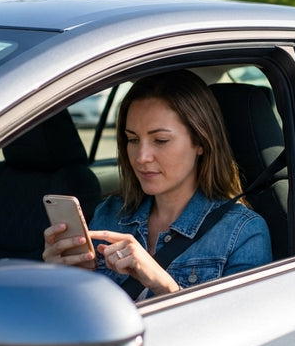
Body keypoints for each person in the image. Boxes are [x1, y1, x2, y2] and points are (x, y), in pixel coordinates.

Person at [43, 70, 272, 297]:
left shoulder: (242, 232)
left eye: (160, 140)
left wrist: (164, 287)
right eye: (132, 139)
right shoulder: (110, 214)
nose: (141, 157)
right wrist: (57, 279)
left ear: (201, 141)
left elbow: (240, 330)